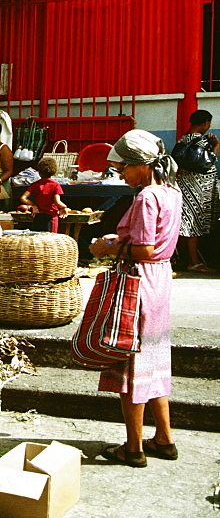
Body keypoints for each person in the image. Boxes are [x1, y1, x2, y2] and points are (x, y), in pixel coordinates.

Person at [89, 129, 182, 468]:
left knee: (131, 365)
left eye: (123, 168)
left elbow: (143, 249)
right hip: (160, 281)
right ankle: (164, 438)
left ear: (141, 165)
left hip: (138, 282)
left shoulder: (145, 197)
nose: (121, 175)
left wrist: (107, 247)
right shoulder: (172, 192)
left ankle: (133, 447)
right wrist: (122, 238)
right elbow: (157, 242)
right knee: (155, 359)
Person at [174, 109, 219, 273]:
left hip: (186, 186)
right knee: (194, 225)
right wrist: (216, 146)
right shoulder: (202, 142)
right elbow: (207, 163)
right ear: (205, 123)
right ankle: (194, 261)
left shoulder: (183, 140)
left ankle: (187, 258)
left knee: (187, 223)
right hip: (198, 190)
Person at [21, 155, 70, 232]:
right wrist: (64, 207)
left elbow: (23, 198)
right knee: (50, 239)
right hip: (51, 217)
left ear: (39, 173)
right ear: (54, 172)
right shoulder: (55, 185)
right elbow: (57, 202)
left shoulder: (35, 184)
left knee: (38, 238)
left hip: (38, 216)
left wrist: (33, 205)